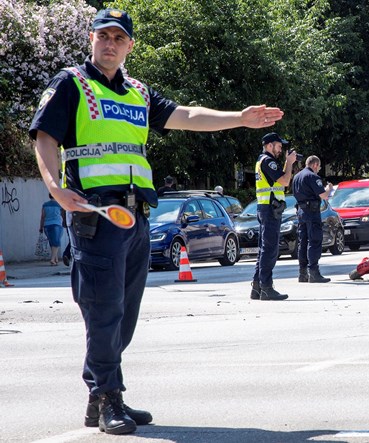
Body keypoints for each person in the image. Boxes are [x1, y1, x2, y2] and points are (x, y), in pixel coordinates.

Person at [29, 8, 283, 436]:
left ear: (129, 45)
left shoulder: (138, 93)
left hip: (136, 216)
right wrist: (54, 187)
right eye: (102, 36)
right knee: (103, 311)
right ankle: (109, 395)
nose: (109, 44)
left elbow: (187, 115)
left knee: (124, 313)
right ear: (91, 39)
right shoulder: (71, 83)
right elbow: (45, 137)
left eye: (118, 38)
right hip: (95, 214)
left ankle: (102, 396)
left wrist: (239, 118)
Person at [250, 132, 297, 301]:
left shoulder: (262, 160)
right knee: (270, 249)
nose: (280, 149)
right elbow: (285, 182)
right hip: (270, 209)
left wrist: (286, 162)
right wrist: (289, 163)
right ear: (269, 145)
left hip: (266, 208)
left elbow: (279, 182)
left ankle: (257, 287)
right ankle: (266, 288)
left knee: (264, 249)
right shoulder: (268, 162)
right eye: (278, 146)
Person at [292, 155, 333, 283]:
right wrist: (329, 188)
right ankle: (314, 272)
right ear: (315, 164)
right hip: (312, 212)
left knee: (302, 242)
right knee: (314, 240)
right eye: (319, 167)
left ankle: (302, 273)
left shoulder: (296, 177)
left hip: (301, 212)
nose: (318, 169)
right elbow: (324, 195)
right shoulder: (312, 176)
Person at [39, 194, 63, 265]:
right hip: (57, 224)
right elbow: (63, 215)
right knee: (56, 241)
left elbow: (42, 217)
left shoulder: (45, 205)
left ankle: (55, 259)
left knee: (52, 241)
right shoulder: (59, 204)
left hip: (47, 225)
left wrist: (41, 227)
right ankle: (52, 259)